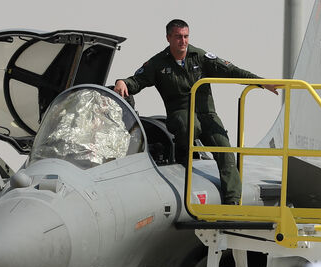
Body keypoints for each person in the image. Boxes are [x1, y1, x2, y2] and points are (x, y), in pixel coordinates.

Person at [113, 18, 278, 205]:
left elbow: (232, 71)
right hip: (180, 114)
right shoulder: (158, 63)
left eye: (185, 36)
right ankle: (184, 153)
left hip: (207, 114)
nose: (183, 41)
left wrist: (261, 82)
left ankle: (232, 202)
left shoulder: (199, 57)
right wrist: (122, 82)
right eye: (178, 37)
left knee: (225, 150)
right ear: (168, 38)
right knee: (189, 124)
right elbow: (137, 81)